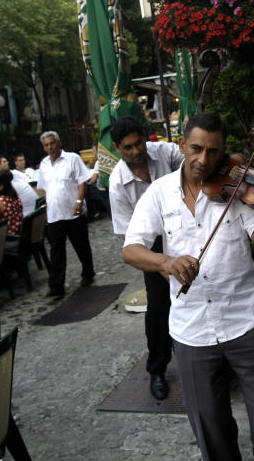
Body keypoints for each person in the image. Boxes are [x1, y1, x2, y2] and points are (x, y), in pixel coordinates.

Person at [122, 112, 254, 461]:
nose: (204, 160)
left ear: (223, 153)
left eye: (214, 152)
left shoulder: (238, 189)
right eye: (196, 149)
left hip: (246, 322)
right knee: (210, 428)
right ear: (181, 146)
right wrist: (166, 262)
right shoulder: (159, 194)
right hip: (191, 331)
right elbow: (131, 249)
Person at [109, 116, 183, 400]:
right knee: (158, 308)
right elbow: (131, 239)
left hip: (184, 226)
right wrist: (160, 263)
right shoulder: (117, 184)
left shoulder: (164, 152)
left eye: (139, 143)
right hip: (151, 244)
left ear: (146, 137)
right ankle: (157, 369)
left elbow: (192, 159)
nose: (136, 151)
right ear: (117, 148)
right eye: (127, 147)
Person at [38, 130, 96, 298]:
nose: (50, 147)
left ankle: (88, 273)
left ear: (58, 142)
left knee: (81, 245)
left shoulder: (72, 158)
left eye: (52, 143)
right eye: (46, 145)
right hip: (55, 214)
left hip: (73, 211)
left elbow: (82, 181)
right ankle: (56, 286)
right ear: (43, 147)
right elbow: (45, 189)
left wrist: (79, 202)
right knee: (56, 251)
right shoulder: (44, 164)